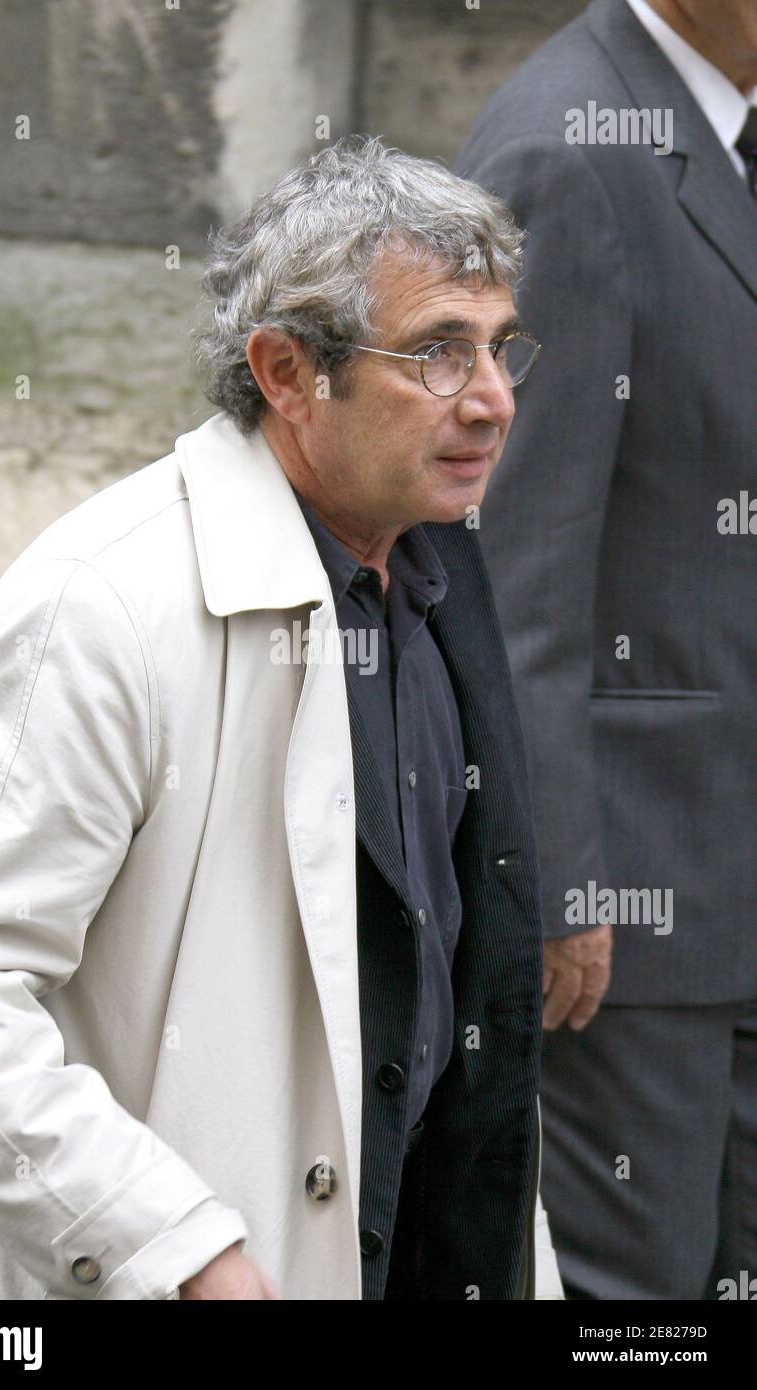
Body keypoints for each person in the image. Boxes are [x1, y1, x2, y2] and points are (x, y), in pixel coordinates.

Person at [0, 135, 561, 1301]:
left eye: (500, 349)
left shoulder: (438, 575)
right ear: (288, 370)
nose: (494, 400)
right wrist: (174, 1249)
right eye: (439, 355)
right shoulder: (101, 601)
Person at [454, 0, 757, 1299]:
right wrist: (559, 884)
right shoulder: (564, 147)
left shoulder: (722, 125)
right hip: (638, 904)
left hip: (730, 871)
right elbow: (512, 566)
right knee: (642, 1299)